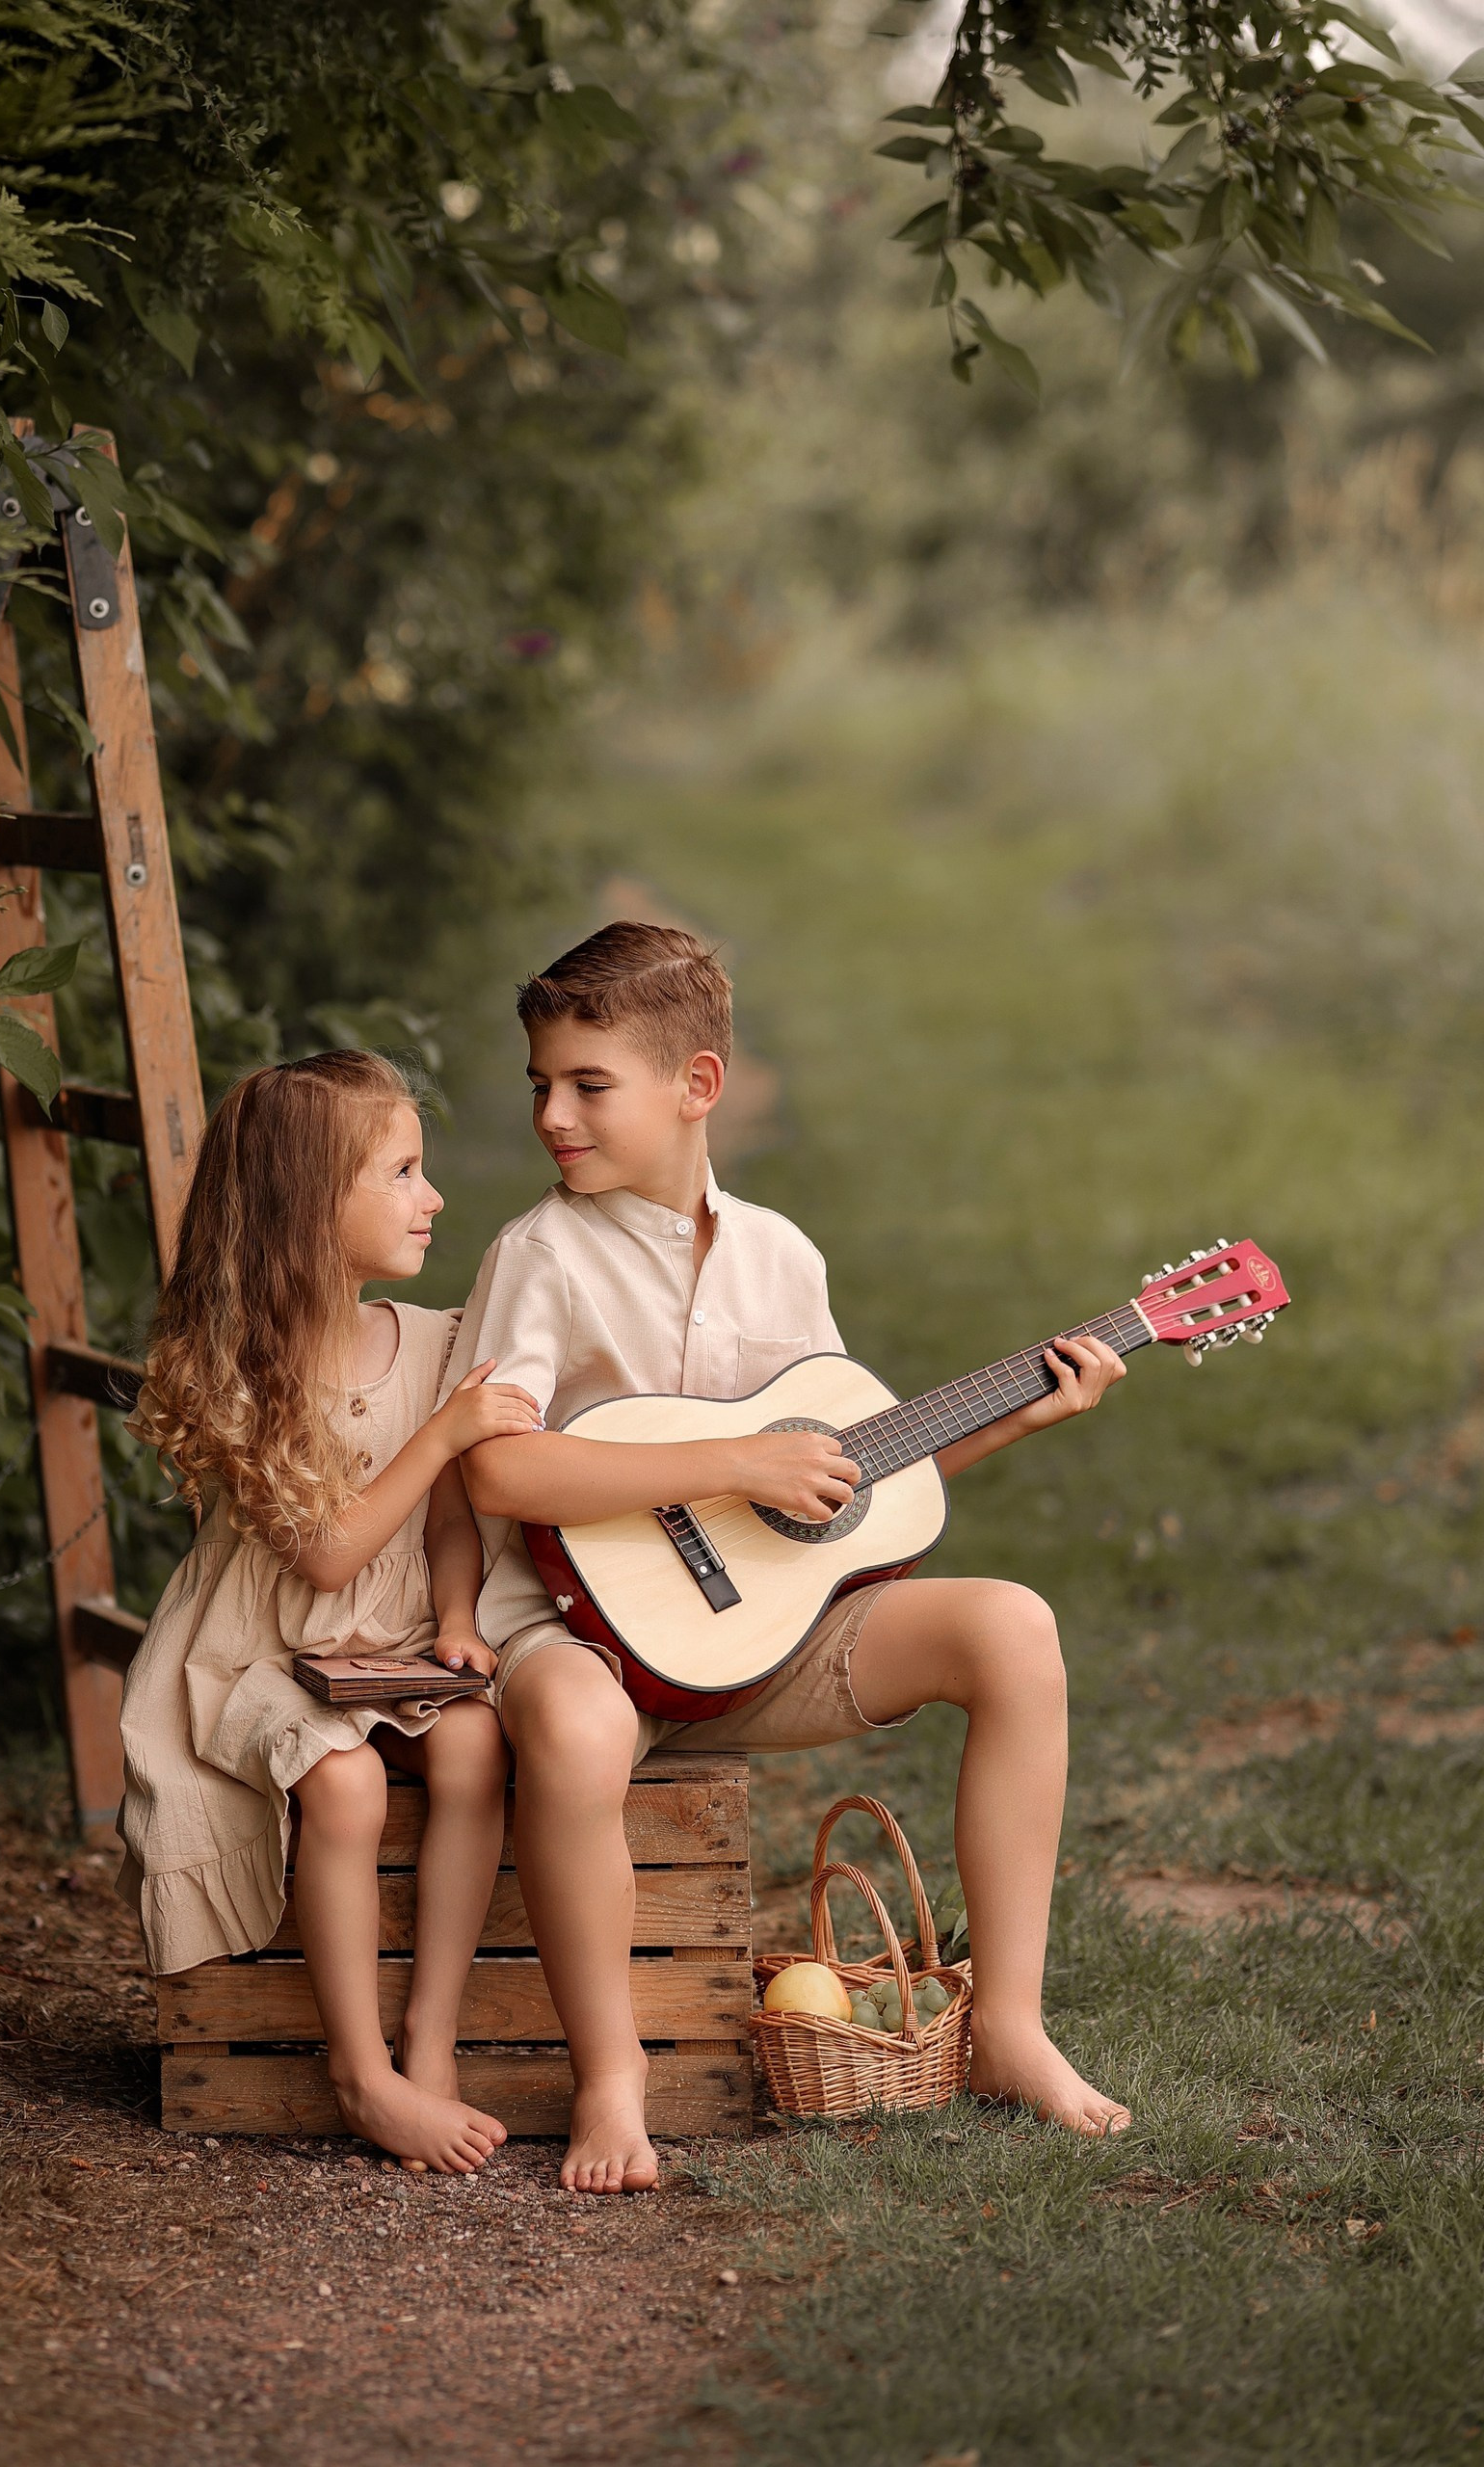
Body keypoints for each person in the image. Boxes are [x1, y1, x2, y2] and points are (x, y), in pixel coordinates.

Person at [446, 922, 1133, 2195]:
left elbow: (837, 1493)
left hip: (758, 1645)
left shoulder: (781, 1257)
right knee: (581, 1739)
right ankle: (613, 2077)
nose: (553, 1113)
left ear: (696, 1086)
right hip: (573, 1634)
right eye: (541, 1082)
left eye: (588, 1085)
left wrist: (1020, 1415)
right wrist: (730, 1465)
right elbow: (501, 1471)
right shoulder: (538, 1256)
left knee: (1013, 1629)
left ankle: (1011, 2028)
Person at [118, 1050, 540, 2173]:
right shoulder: (241, 1372)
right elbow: (325, 1555)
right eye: (401, 1172)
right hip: (261, 1654)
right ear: (313, 1206)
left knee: (475, 1746)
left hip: (395, 1639)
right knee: (344, 1783)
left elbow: (450, 1520)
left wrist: (454, 1614)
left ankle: (431, 2040)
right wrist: (441, 1431)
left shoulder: (436, 1339)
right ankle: (360, 2072)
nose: (432, 1195)